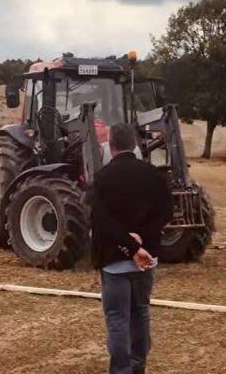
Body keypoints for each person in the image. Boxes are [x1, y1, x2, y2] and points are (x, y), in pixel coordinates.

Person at [89, 123, 173, 374]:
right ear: (135, 144)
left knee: (117, 320)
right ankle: (139, 367)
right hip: (146, 260)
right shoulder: (154, 175)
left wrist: (129, 246)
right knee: (141, 313)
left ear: (111, 147)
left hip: (114, 262)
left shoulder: (102, 178)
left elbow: (102, 222)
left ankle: (121, 370)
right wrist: (140, 243)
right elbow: (165, 213)